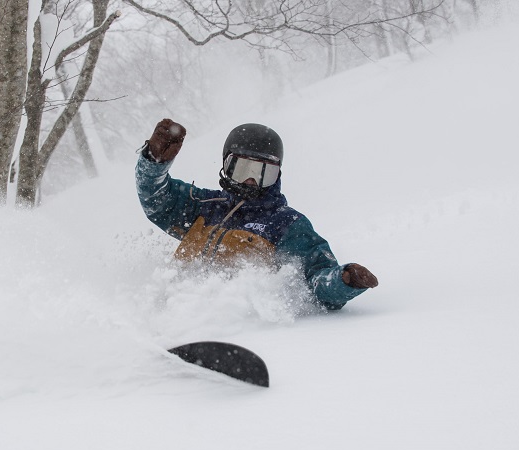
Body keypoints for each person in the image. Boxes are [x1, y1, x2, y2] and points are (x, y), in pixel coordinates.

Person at [135, 119, 378, 310]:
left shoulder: (285, 223)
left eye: (265, 172)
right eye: (243, 169)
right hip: (172, 313)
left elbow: (316, 277)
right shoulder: (204, 205)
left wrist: (342, 281)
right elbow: (157, 201)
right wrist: (153, 163)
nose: (252, 180)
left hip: (235, 324)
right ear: (227, 166)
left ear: (277, 174)